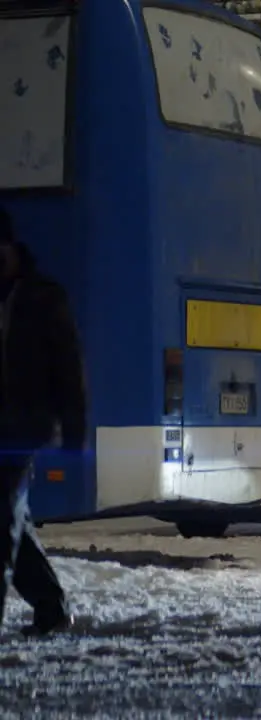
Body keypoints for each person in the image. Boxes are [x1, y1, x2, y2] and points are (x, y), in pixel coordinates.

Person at [0, 206, 86, 636]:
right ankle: (52, 609)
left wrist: (74, 434)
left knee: (2, 520)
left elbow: (68, 369)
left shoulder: (42, 297)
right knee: (12, 523)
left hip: (20, 430)